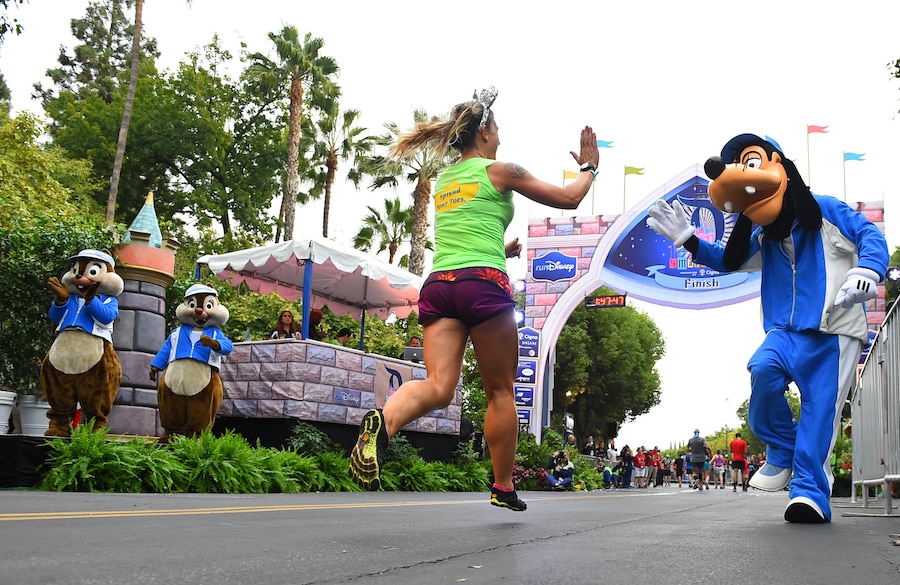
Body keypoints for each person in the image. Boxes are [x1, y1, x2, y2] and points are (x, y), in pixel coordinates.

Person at [348, 86, 599, 513]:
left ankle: (383, 425)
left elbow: (461, 241)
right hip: (483, 284)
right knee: (500, 391)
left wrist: (504, 251)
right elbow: (570, 197)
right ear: (484, 131)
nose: (499, 136)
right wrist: (591, 167)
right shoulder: (499, 170)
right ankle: (503, 486)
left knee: (438, 385)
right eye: (497, 129)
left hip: (442, 284)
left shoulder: (444, 181)